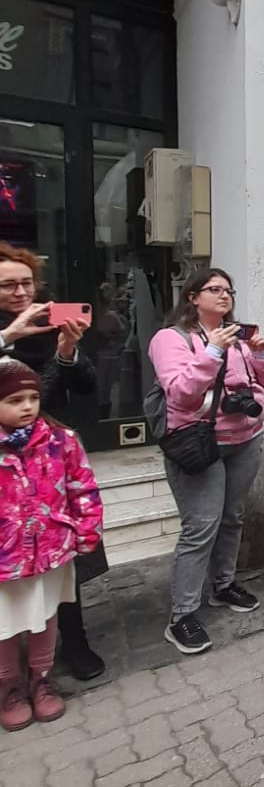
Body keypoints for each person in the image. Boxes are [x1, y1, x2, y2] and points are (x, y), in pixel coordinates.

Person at [149, 268, 264, 656]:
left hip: (245, 439)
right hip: (199, 444)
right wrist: (212, 352)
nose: (224, 296)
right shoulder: (170, 339)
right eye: (215, 289)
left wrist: (261, 353)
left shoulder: (236, 337)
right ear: (193, 296)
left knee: (231, 517)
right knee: (200, 527)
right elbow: (181, 393)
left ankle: (223, 586)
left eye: (228, 290)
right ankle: (182, 615)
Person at [0, 242, 106, 681]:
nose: (21, 292)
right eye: (8, 285)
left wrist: (67, 352)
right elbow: (28, 393)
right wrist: (9, 336)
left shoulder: (49, 323)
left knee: (61, 553)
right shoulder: (9, 333)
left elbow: (87, 385)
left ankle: (73, 642)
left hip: (50, 455)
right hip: (8, 464)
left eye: (27, 283)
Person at [0, 358, 103, 731]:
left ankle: (40, 679)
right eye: (14, 400)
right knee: (6, 622)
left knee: (45, 615)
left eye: (32, 398)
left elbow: (83, 487)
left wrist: (87, 530)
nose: (27, 407)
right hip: (6, 558)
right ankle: (9, 686)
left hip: (50, 550)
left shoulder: (61, 440)